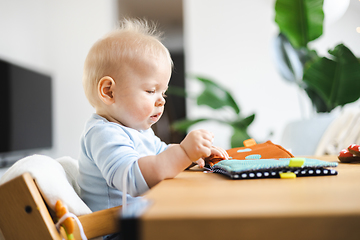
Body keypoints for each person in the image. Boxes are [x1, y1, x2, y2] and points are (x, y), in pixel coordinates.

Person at [78, 18, 229, 215]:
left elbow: (162, 152)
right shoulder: (102, 133)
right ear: (109, 92)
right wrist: (184, 153)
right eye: (151, 91)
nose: (161, 101)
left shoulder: (139, 131)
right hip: (115, 230)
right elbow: (132, 179)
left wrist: (193, 157)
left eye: (163, 93)